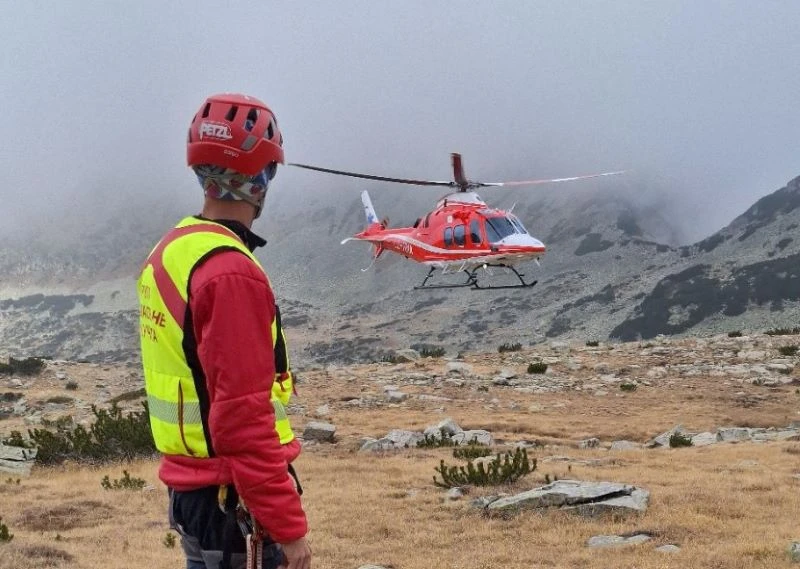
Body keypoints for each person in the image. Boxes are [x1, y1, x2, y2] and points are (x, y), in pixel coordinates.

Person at [137, 93, 312, 569]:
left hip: (195, 492)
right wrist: (289, 527)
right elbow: (242, 420)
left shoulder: (173, 249)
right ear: (263, 177)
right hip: (232, 499)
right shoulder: (230, 272)